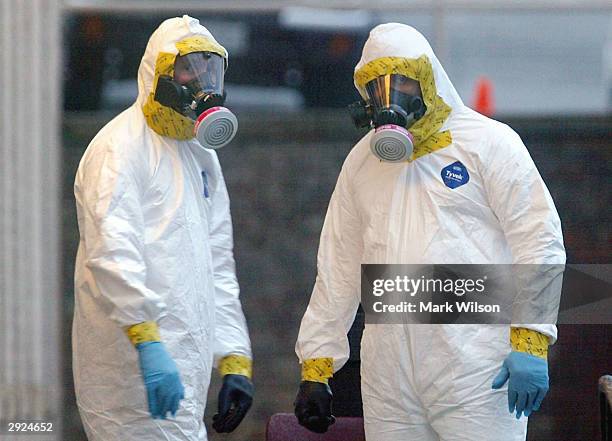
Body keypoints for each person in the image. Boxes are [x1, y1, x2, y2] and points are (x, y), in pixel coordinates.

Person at [294, 23, 565, 441]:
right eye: (378, 84)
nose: (392, 93)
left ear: (429, 77)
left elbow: (539, 239)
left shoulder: (489, 144)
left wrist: (531, 339)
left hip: (476, 371)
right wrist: (318, 363)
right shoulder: (363, 163)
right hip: (389, 379)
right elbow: (338, 265)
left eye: (403, 79)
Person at [72, 16, 253, 441]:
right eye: (188, 69)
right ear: (159, 74)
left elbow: (217, 263)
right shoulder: (118, 148)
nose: (200, 80)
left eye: (210, 69)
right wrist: (148, 342)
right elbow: (112, 253)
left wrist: (233, 358)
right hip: (130, 380)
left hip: (187, 376)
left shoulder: (201, 155)